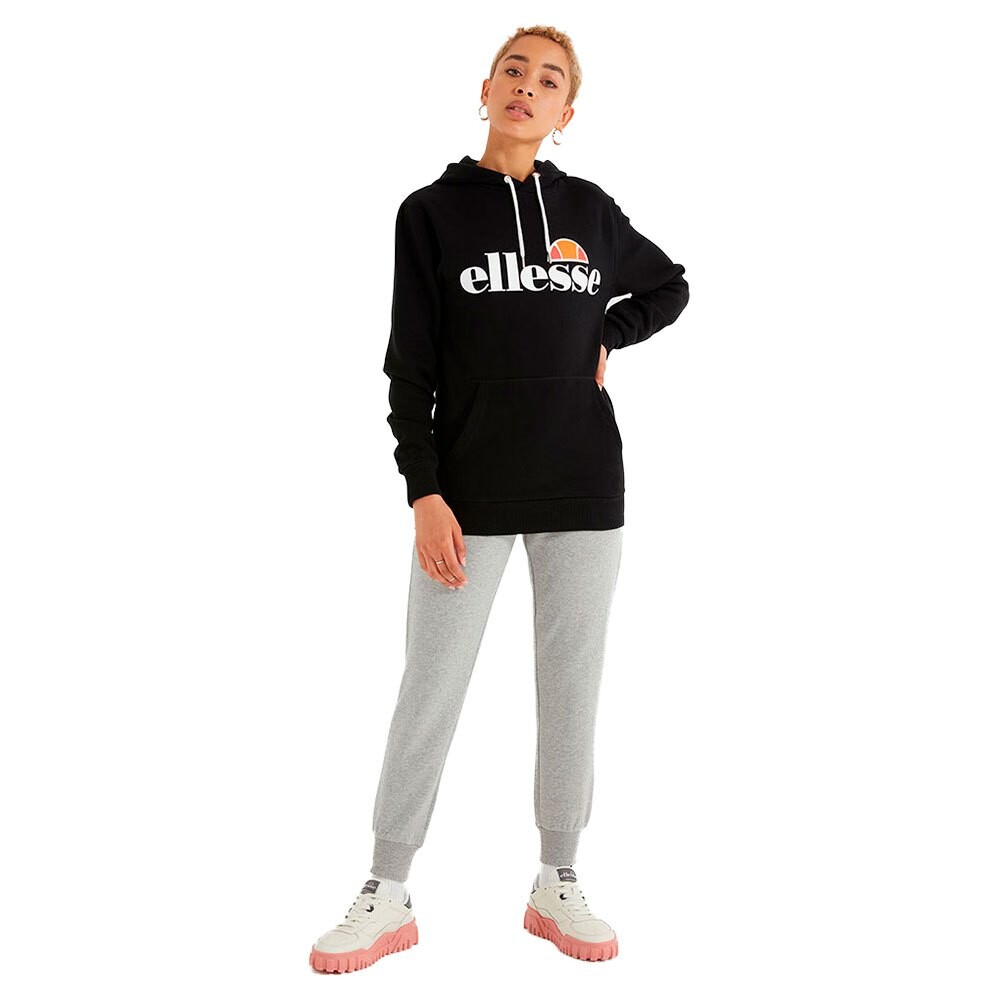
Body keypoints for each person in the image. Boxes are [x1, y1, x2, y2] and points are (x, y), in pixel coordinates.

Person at [309, 25, 689, 973]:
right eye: (514, 70)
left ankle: (558, 878)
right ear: (485, 89)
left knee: (571, 685)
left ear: (567, 112)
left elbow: (671, 285)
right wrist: (425, 491)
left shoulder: (590, 211)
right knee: (430, 685)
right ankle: (386, 886)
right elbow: (409, 367)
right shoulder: (431, 213)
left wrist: (611, 333)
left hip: (582, 484)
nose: (528, 86)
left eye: (549, 79)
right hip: (468, 490)